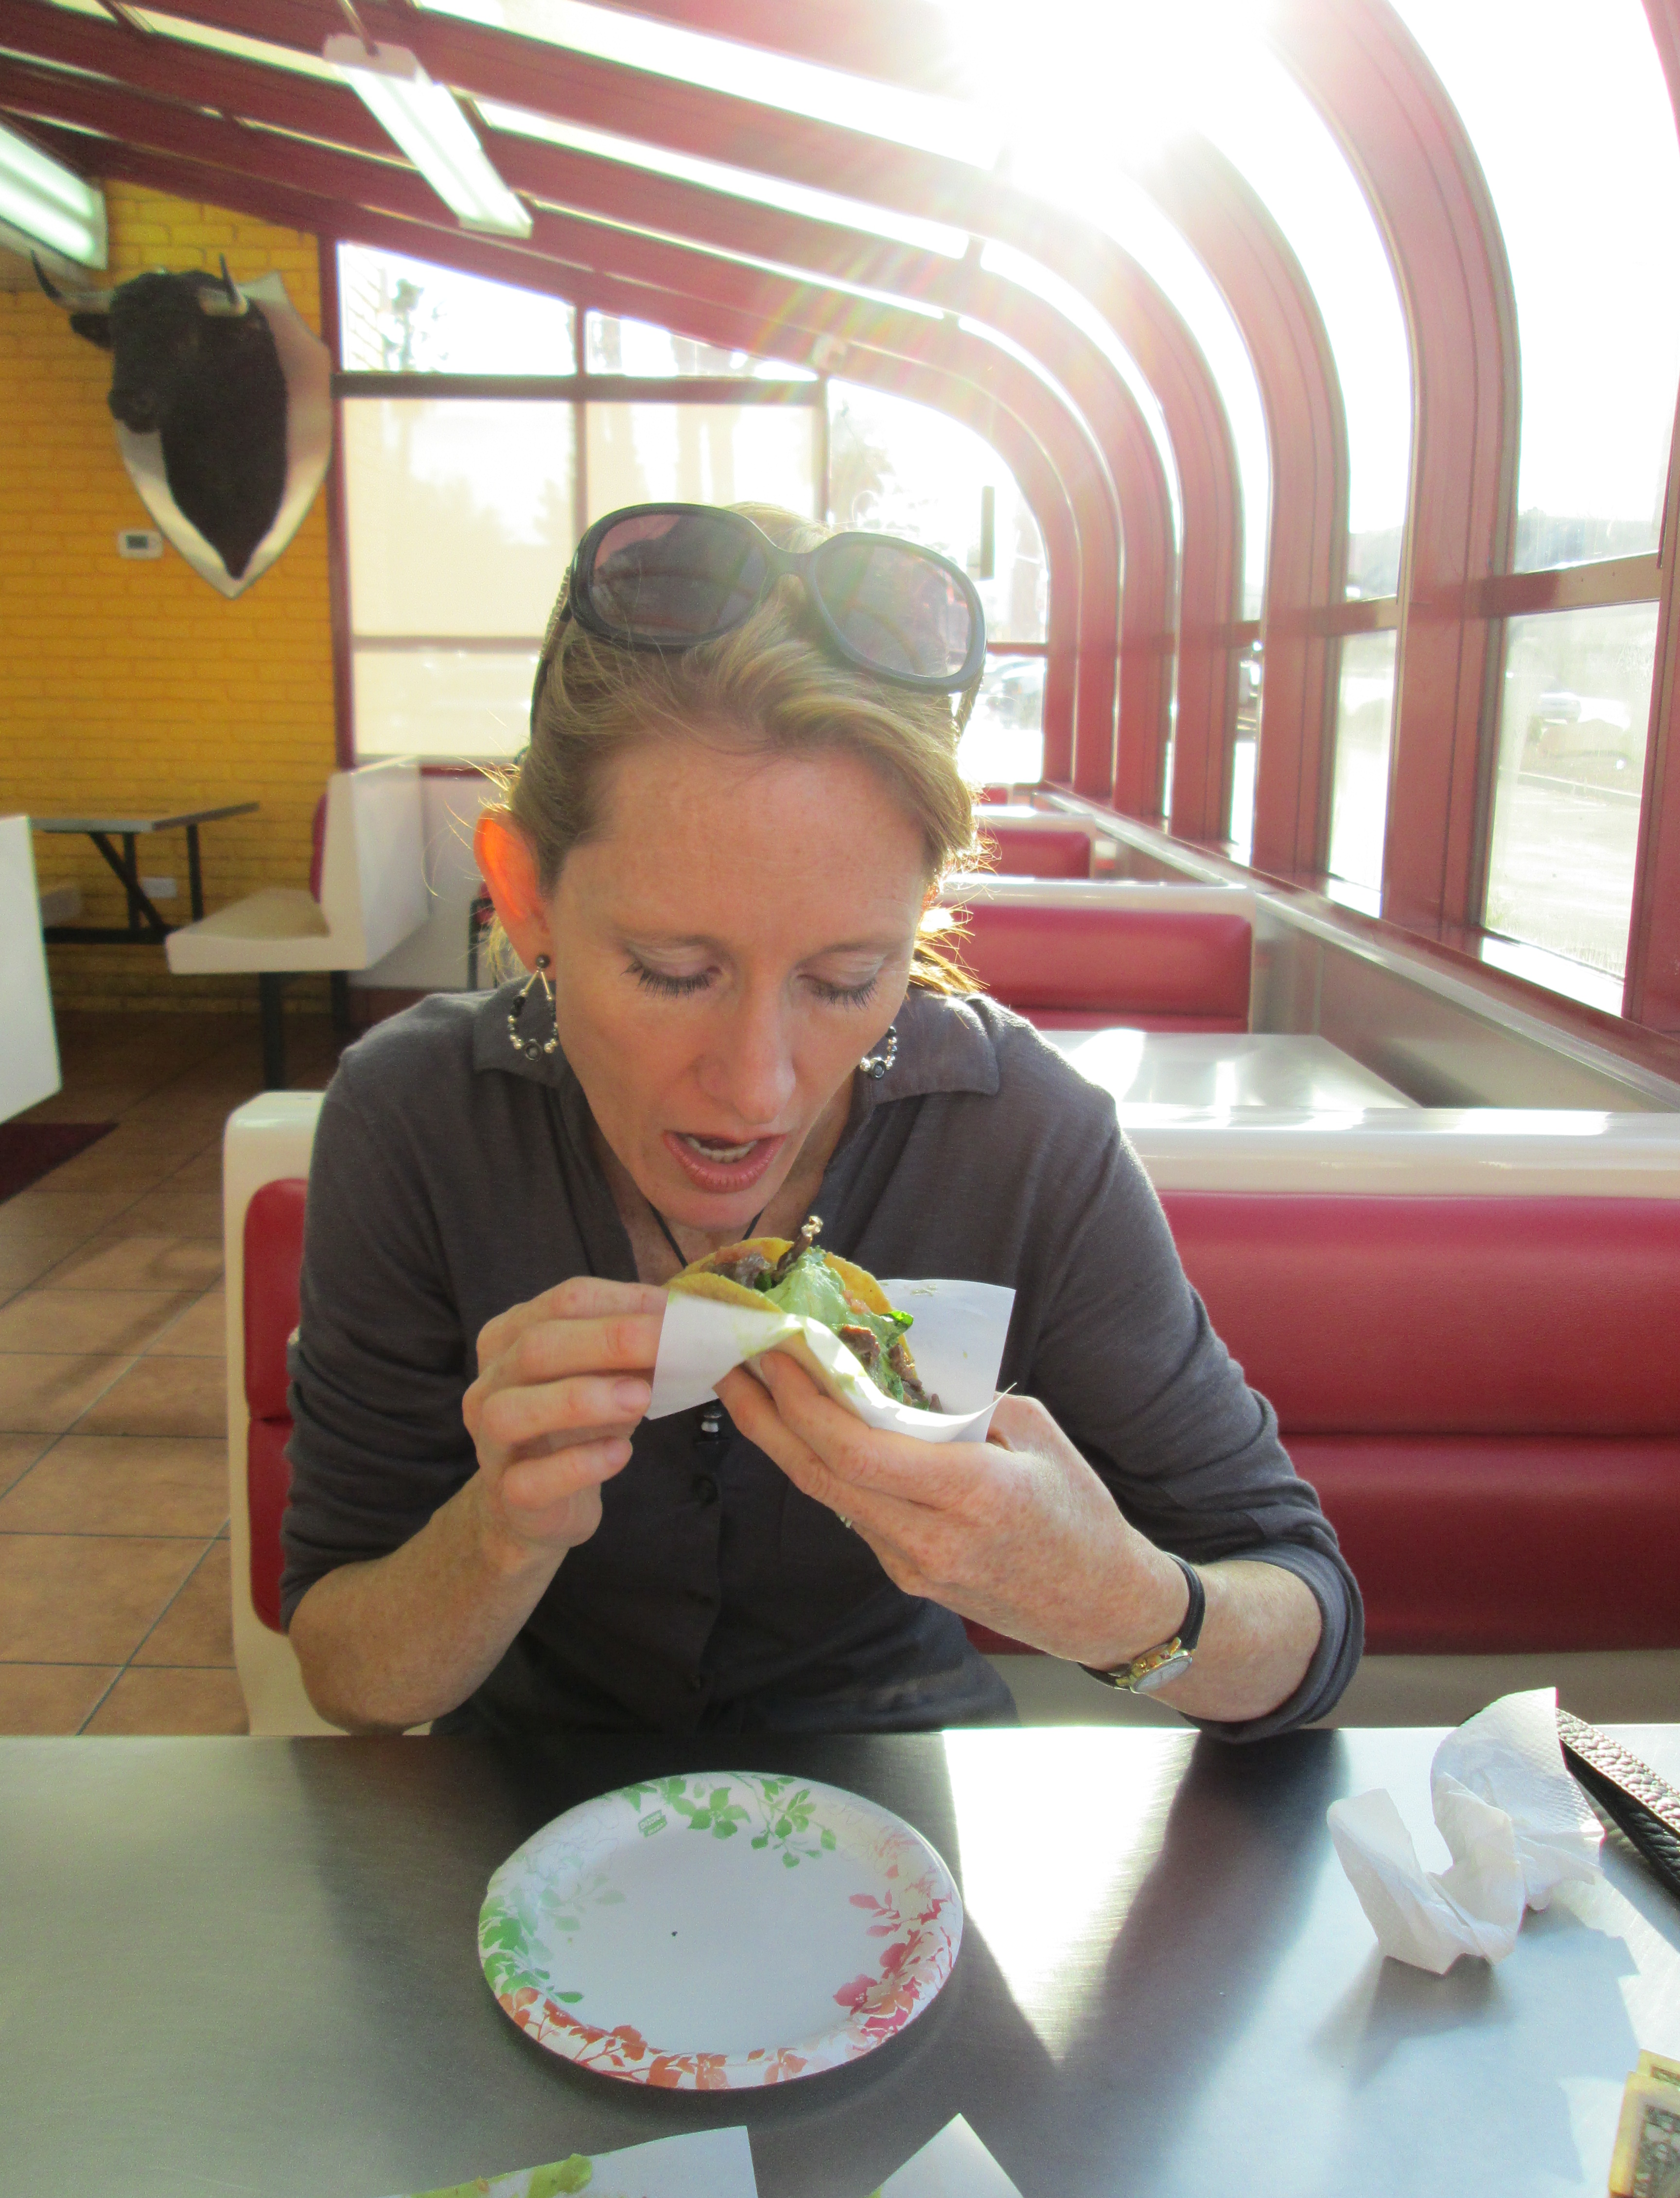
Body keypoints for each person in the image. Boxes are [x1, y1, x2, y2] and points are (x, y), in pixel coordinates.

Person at [282, 500, 1361, 1740]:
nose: (757, 1091)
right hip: (529, 1801)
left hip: (908, 1788)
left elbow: (1308, 1622)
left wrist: (1118, 1602)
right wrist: (498, 1535)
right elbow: (348, 1677)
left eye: (848, 980)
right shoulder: (417, 1122)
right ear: (523, 896)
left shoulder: (1021, 1139)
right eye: (672, 972)